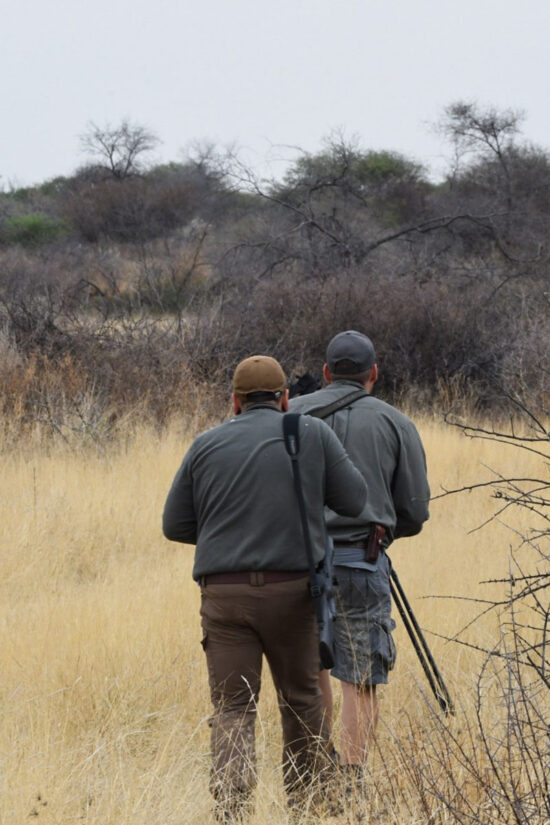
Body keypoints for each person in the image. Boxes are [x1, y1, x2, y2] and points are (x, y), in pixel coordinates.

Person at [162, 355, 368, 822]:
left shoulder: (205, 443)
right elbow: (356, 500)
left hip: (225, 596)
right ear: (285, 399)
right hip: (294, 593)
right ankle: (307, 807)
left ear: (234, 402)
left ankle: (232, 812)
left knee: (233, 709)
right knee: (303, 701)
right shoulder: (312, 433)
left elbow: (175, 525)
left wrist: (227, 538)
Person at [290, 331, 430, 779]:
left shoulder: (289, 415)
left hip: (293, 564)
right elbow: (414, 511)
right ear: (374, 374)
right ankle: (352, 782)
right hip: (361, 561)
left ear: (326, 372)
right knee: (362, 676)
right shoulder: (396, 422)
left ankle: (316, 771)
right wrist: (379, 534)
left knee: (311, 672)